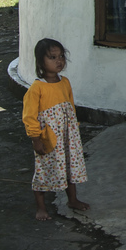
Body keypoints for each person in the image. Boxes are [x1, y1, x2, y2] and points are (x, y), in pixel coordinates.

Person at [22, 38, 90, 220]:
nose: (59, 61)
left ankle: (73, 200)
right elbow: (29, 116)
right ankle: (41, 207)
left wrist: (74, 129)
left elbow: (70, 107)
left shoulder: (65, 82)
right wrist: (36, 139)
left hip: (68, 137)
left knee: (69, 169)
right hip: (49, 139)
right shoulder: (36, 89)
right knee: (44, 171)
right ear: (40, 62)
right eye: (52, 57)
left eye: (61, 56)